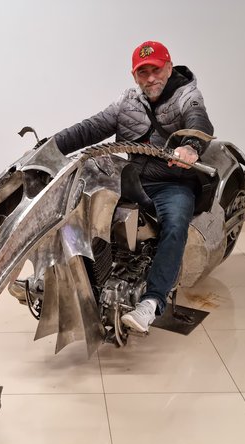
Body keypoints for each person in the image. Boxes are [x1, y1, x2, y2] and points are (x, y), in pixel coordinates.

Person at [52, 40, 214, 332]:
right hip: (132, 179)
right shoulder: (127, 101)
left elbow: (198, 119)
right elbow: (91, 127)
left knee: (175, 224)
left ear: (169, 67)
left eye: (156, 70)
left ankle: (152, 302)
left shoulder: (186, 95)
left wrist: (191, 146)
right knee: (77, 201)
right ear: (134, 75)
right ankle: (63, 277)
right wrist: (50, 147)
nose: (150, 78)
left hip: (172, 182)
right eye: (143, 72)